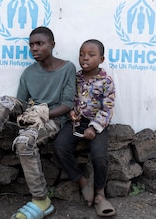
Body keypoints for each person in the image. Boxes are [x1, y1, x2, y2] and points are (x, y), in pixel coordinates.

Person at [0, 26, 76, 219]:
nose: (35, 48)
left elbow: (68, 104)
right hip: (29, 115)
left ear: (52, 45)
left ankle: (41, 201)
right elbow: (21, 103)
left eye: (40, 44)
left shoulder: (67, 68)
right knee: (5, 101)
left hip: (51, 121)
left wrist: (42, 115)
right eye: (31, 45)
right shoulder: (28, 73)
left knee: (24, 142)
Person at [53, 39, 116, 217]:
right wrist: (72, 113)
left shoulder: (106, 81)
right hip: (77, 122)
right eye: (81, 54)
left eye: (91, 54)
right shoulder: (76, 77)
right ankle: (82, 182)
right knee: (60, 146)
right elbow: (70, 98)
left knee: (99, 157)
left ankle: (100, 195)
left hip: (97, 124)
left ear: (101, 59)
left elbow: (107, 108)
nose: (84, 58)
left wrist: (94, 128)